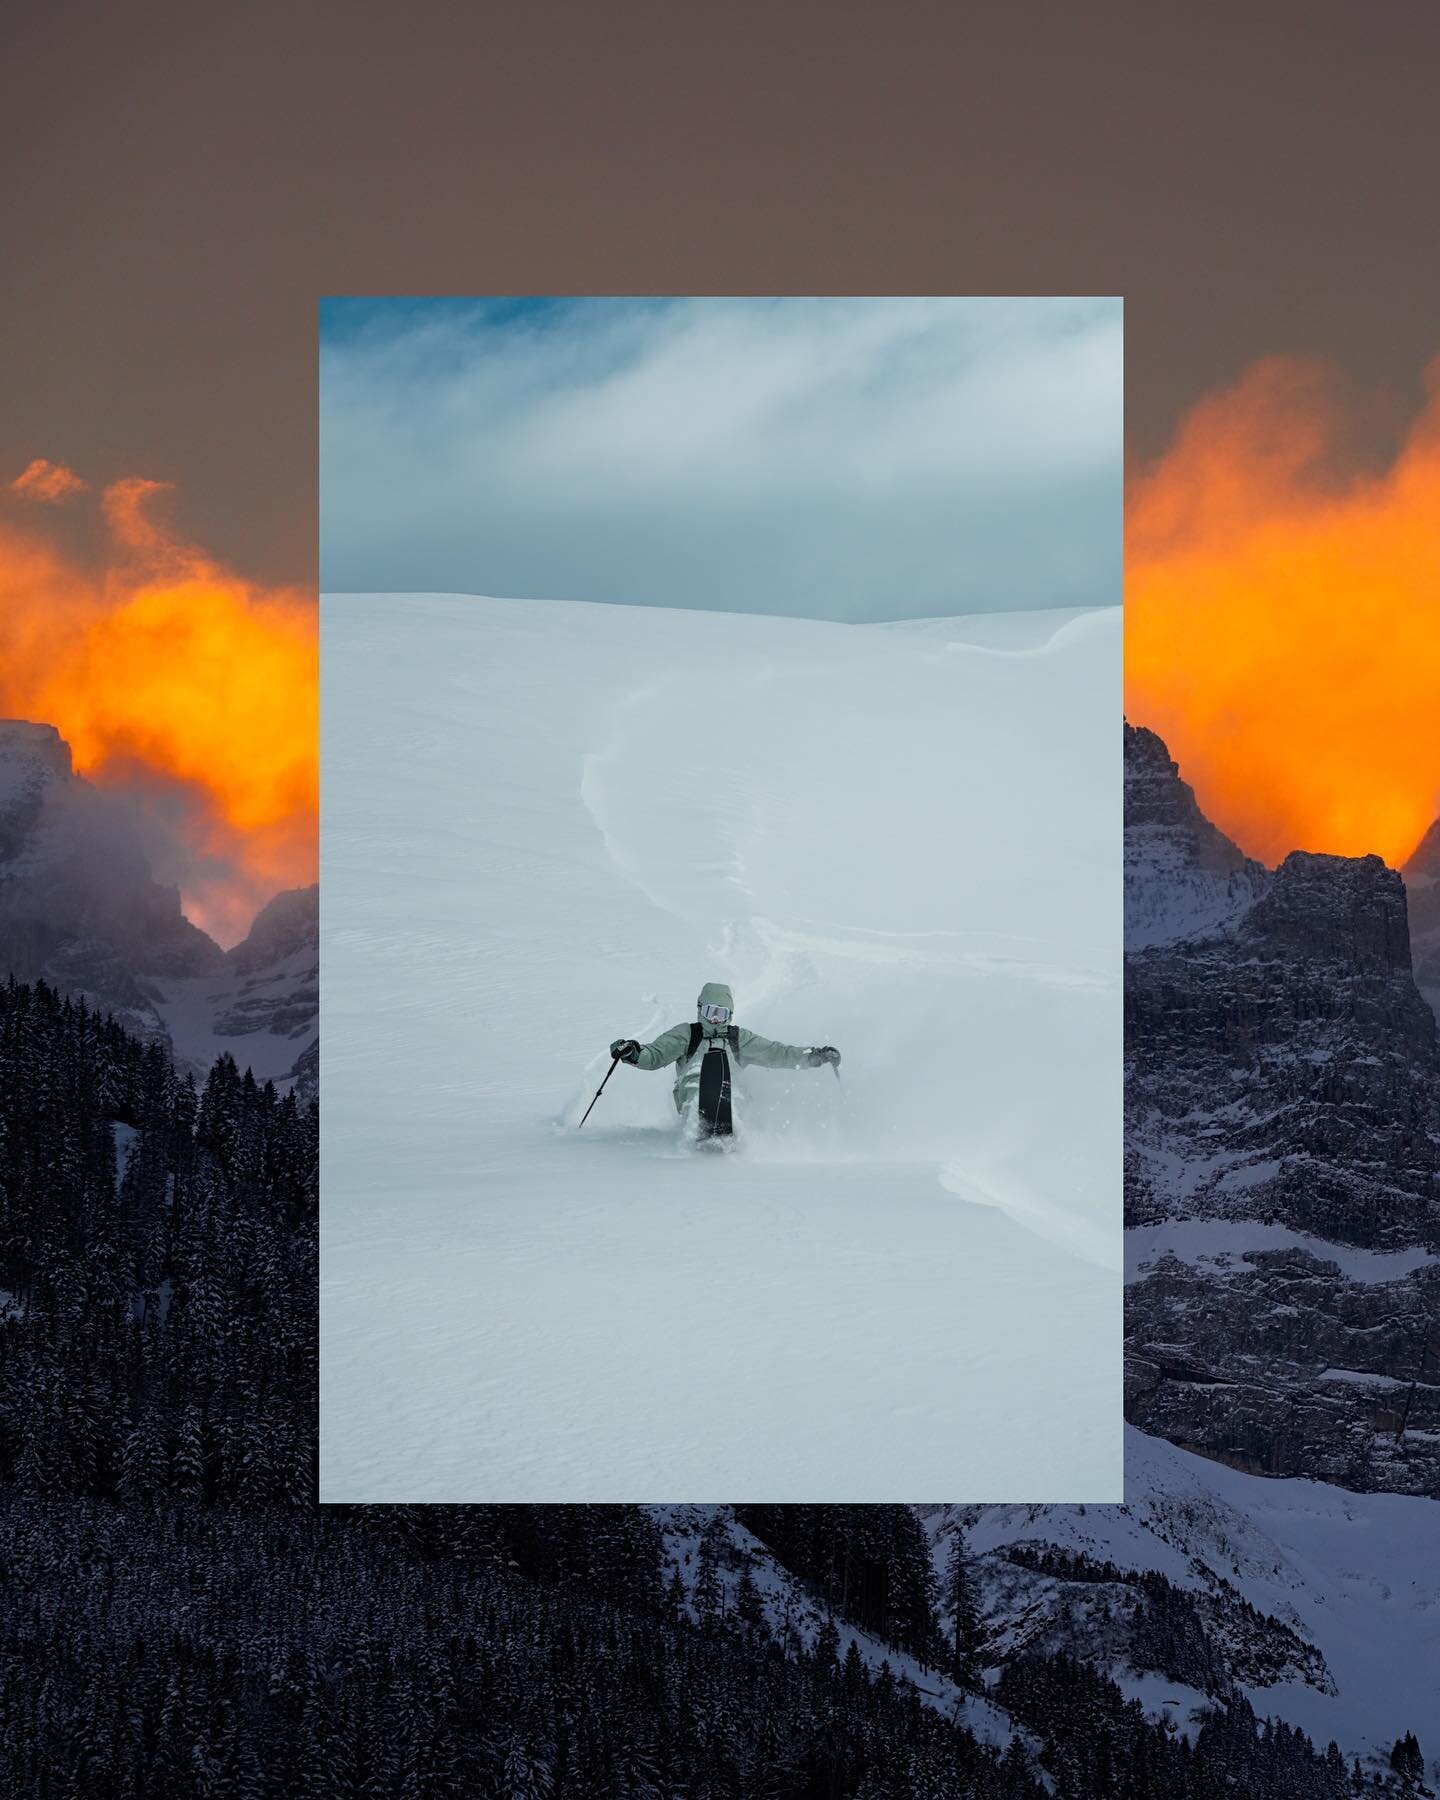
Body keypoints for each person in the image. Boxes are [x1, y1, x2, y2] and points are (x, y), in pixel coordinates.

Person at [611, 981, 840, 1138]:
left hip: (732, 1092)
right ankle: (700, 1119)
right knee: (696, 1076)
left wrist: (815, 1056)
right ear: (700, 1010)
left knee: (735, 1088)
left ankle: (733, 1125)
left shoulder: (738, 1038)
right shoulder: (687, 1034)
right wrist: (633, 1052)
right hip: (693, 1089)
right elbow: (655, 1055)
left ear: (729, 1015)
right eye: (711, 1011)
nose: (715, 1019)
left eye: (721, 1014)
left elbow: (776, 1053)